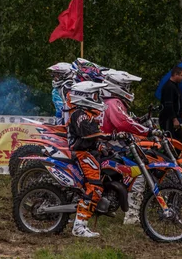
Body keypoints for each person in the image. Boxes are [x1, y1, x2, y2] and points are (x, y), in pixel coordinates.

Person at [100, 69, 160, 225]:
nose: (129, 90)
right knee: (138, 172)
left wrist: (140, 121)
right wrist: (148, 131)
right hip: (109, 146)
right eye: (127, 86)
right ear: (119, 86)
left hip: (110, 144)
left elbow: (126, 120)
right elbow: (123, 123)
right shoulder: (113, 102)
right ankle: (132, 214)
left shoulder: (110, 101)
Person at [67, 80, 112, 238]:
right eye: (95, 95)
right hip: (82, 153)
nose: (97, 98)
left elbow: (92, 138)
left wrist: (103, 146)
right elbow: (87, 135)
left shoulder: (87, 114)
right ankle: (79, 226)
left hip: (89, 151)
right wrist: (110, 136)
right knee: (95, 187)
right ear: (85, 96)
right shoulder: (80, 115)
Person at [159, 66, 182, 145]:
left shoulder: (176, 86)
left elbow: (178, 103)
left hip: (175, 118)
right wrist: (174, 119)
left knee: (180, 141)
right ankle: (165, 157)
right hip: (168, 119)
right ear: (175, 74)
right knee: (170, 142)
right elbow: (168, 105)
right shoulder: (169, 87)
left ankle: (173, 157)